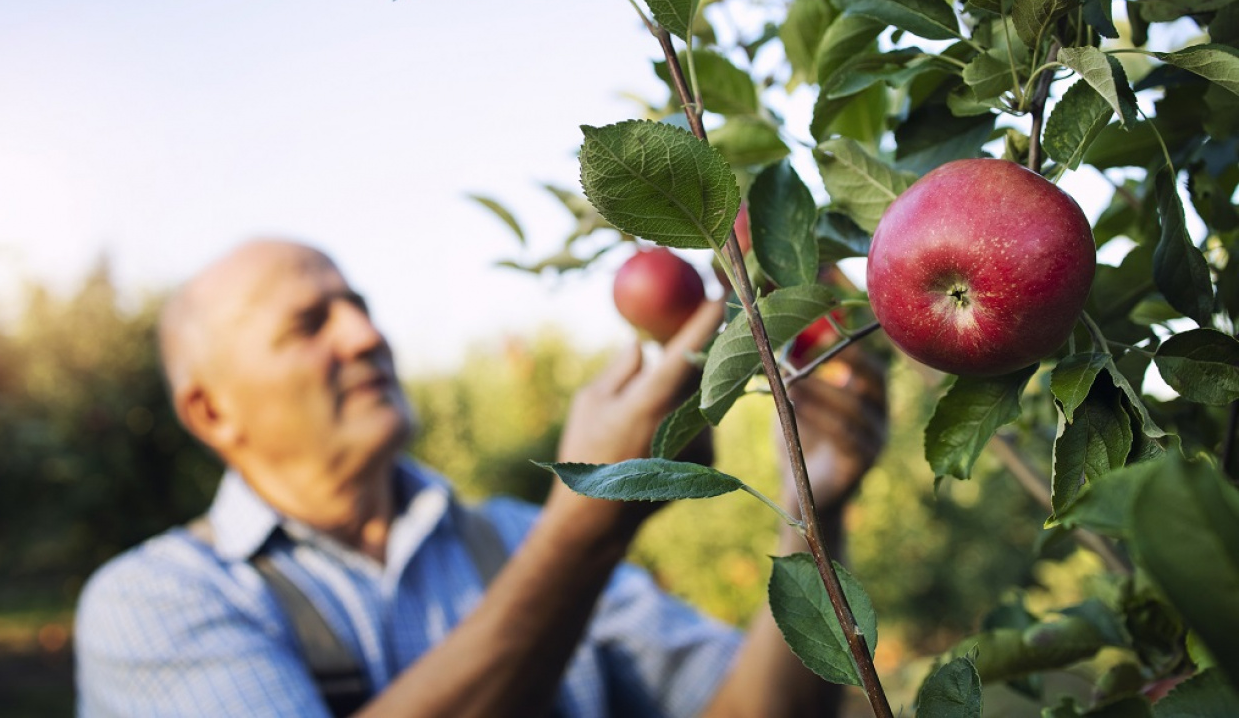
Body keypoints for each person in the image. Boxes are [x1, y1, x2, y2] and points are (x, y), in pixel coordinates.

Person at [75, 238, 886, 717]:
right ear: (212, 411)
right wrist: (587, 522)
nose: (366, 335)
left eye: (358, 305)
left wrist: (810, 506)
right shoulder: (154, 603)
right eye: (309, 324)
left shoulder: (510, 537)